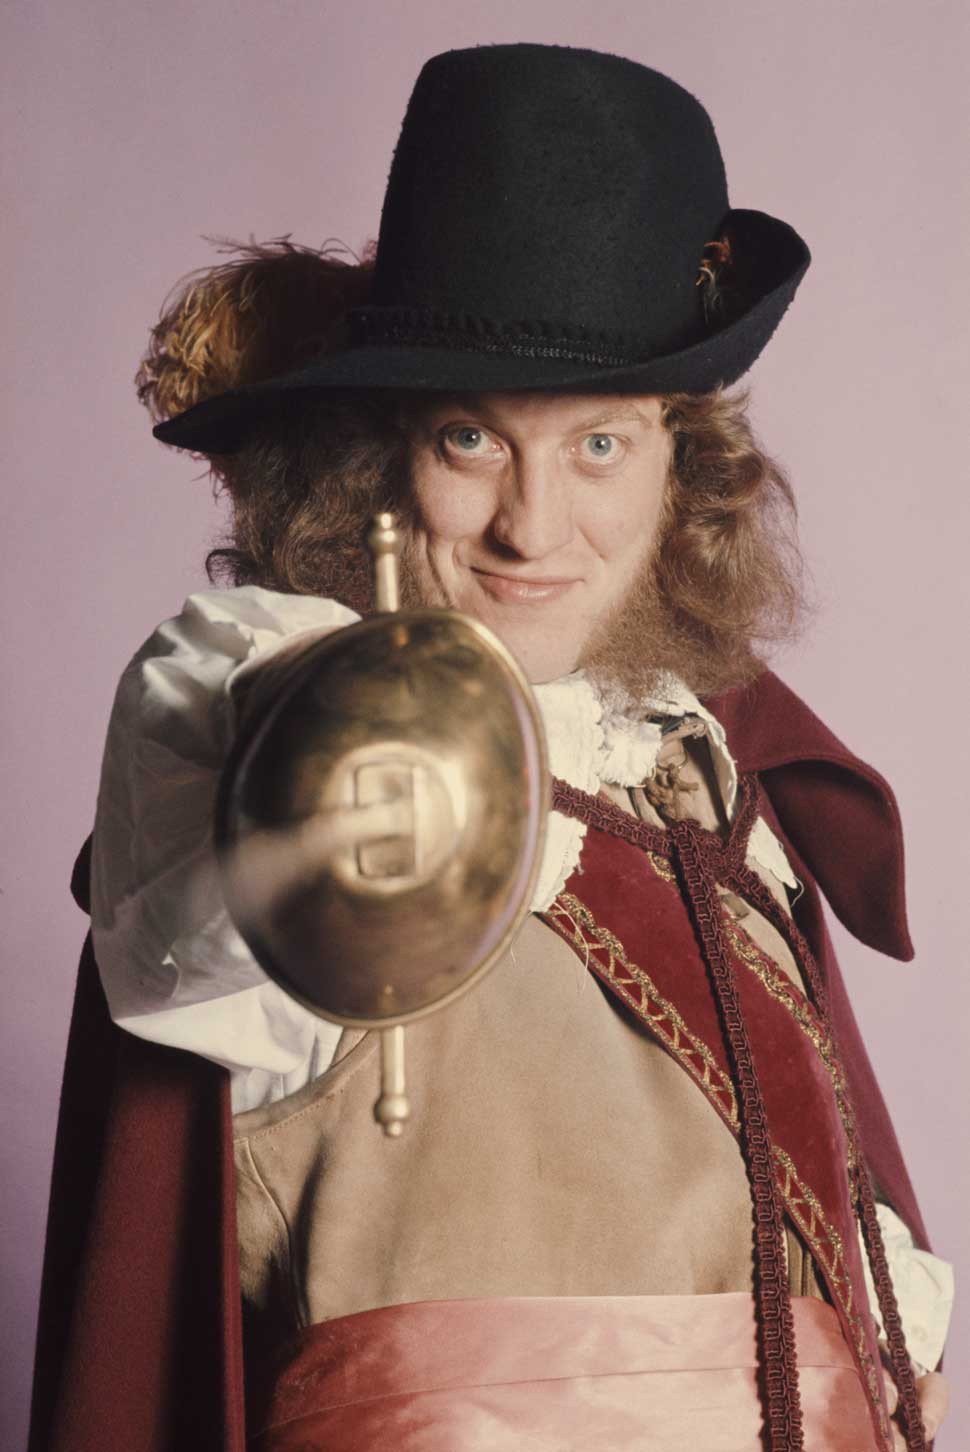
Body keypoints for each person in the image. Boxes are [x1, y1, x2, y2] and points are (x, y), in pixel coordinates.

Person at [29, 42, 952, 1452]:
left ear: (679, 470)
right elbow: (226, 907)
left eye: (598, 447)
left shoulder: (709, 769)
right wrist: (352, 745)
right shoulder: (265, 709)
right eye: (470, 439)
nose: (533, 527)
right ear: (376, 464)